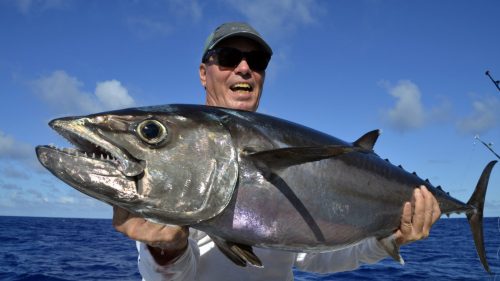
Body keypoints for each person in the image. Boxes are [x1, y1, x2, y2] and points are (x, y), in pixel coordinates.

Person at [112, 22, 442, 280]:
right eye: (228, 58)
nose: (244, 68)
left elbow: (318, 256)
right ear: (203, 72)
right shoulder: (178, 156)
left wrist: (391, 240)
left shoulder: (289, 143)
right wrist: (165, 251)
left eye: (256, 61)